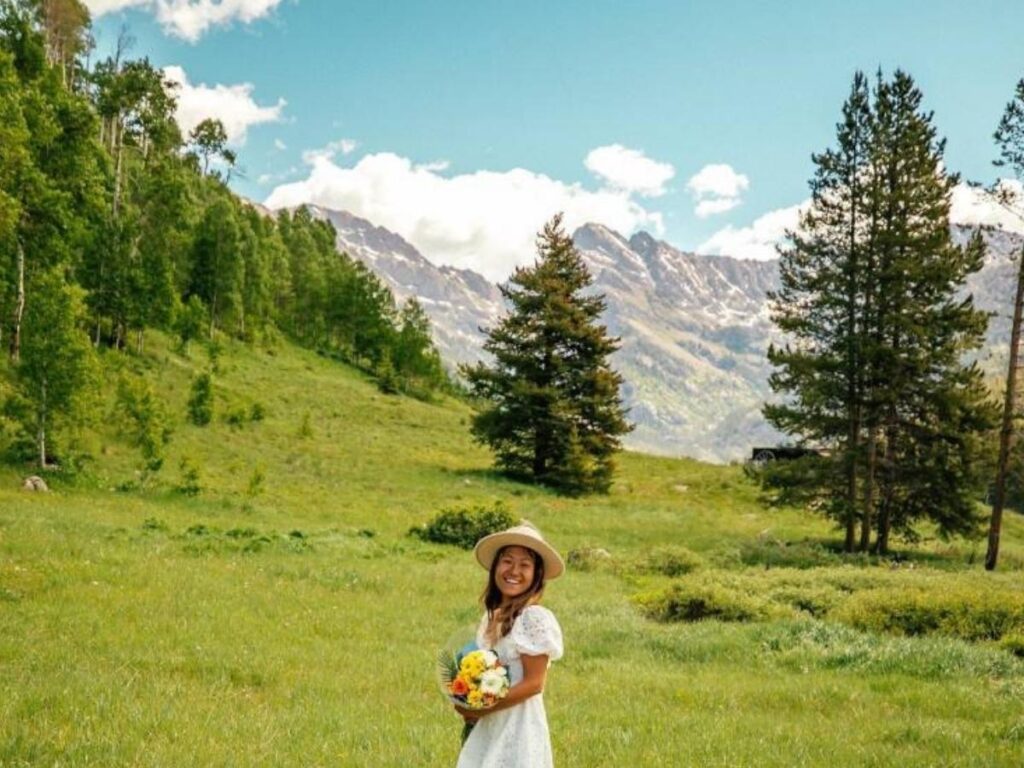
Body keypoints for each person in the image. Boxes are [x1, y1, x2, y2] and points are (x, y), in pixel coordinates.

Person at [455, 521, 565, 768]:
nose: (514, 570)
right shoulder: (491, 618)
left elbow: (534, 683)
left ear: (536, 574)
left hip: (518, 726)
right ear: (496, 566)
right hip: (490, 725)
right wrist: (466, 698)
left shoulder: (533, 618)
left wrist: (483, 708)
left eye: (525, 564)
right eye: (507, 561)